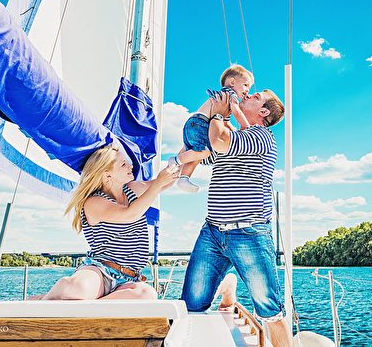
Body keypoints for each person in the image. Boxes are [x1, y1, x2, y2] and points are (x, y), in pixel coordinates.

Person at [180, 89, 293, 347]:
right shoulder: (232, 133)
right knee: (191, 305)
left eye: (256, 96)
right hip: (212, 233)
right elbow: (199, 148)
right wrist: (207, 115)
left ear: (263, 112)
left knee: (270, 311)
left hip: (249, 234)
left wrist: (220, 114)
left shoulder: (262, 136)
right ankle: (229, 283)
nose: (249, 94)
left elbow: (220, 141)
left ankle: (229, 281)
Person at [29, 141, 179, 300]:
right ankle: (44, 300)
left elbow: (169, 181)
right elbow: (130, 214)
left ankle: (89, 303)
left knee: (147, 294)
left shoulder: (132, 190)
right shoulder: (93, 203)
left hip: (129, 279)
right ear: (107, 175)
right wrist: (158, 182)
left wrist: (190, 150)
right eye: (123, 164)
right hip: (100, 271)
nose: (130, 166)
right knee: (77, 287)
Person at [168, 65, 254, 193]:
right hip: (200, 124)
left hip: (194, 123)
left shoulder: (223, 98)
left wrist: (235, 132)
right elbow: (237, 112)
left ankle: (184, 178)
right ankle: (175, 161)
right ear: (232, 82)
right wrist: (247, 128)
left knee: (195, 153)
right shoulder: (230, 94)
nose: (247, 90)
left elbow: (224, 123)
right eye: (246, 85)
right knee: (204, 153)